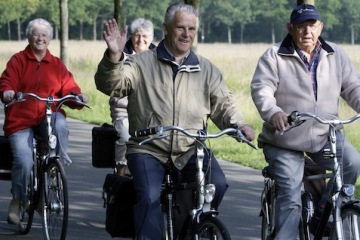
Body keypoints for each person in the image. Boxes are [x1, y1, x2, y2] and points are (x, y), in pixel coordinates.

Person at [95, 2, 255, 239]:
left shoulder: (206, 69)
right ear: (166, 28)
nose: (186, 34)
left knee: (217, 184)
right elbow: (111, 84)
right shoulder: (141, 63)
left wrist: (238, 124)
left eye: (191, 29)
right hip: (148, 147)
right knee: (148, 196)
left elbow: (223, 103)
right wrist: (115, 55)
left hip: (190, 148)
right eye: (181, 28)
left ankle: (194, 229)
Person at [251, 3, 360, 239]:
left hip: (324, 136)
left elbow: (353, 87)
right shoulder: (274, 55)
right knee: (291, 198)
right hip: (284, 140)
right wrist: (274, 113)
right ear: (290, 28)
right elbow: (262, 90)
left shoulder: (335, 54)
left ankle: (326, 214)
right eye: (300, 26)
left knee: (352, 162)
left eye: (311, 25)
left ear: (320, 27)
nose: (307, 32)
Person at [0, 18, 89, 225]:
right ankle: (18, 200)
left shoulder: (56, 64)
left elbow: (69, 86)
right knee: (23, 161)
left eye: (44, 35)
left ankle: (55, 163)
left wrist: (77, 96)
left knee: (59, 123)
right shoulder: (18, 60)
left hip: (47, 115)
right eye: (36, 34)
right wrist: (7, 92)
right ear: (29, 37)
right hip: (20, 119)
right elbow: (7, 80)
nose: (40, 38)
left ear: (49, 39)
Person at [109, 18, 156, 176]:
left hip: (152, 113)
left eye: (145, 36)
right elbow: (112, 79)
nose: (141, 40)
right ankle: (120, 178)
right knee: (125, 136)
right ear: (131, 36)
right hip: (125, 111)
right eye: (137, 35)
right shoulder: (121, 54)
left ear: (152, 38)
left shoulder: (159, 57)